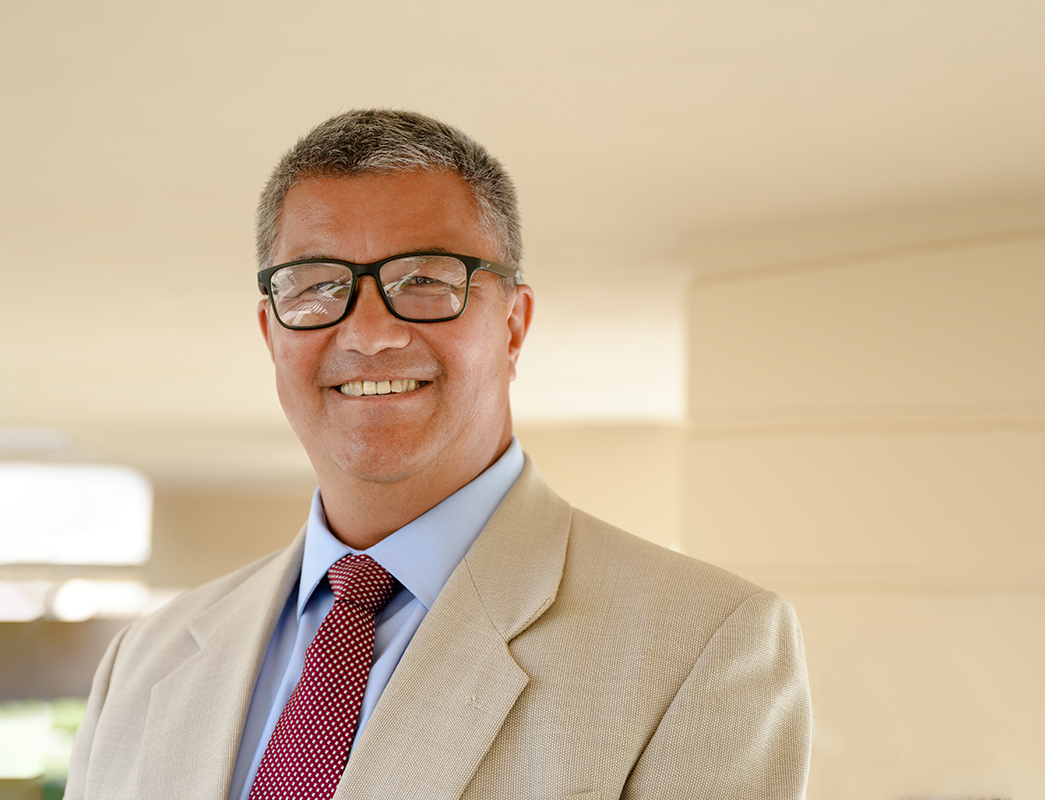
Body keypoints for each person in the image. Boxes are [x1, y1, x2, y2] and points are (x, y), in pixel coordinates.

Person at [65, 109, 813, 800]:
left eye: (423, 280)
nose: (368, 334)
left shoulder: (704, 643)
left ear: (514, 326)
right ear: (272, 333)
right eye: (319, 286)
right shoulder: (147, 659)